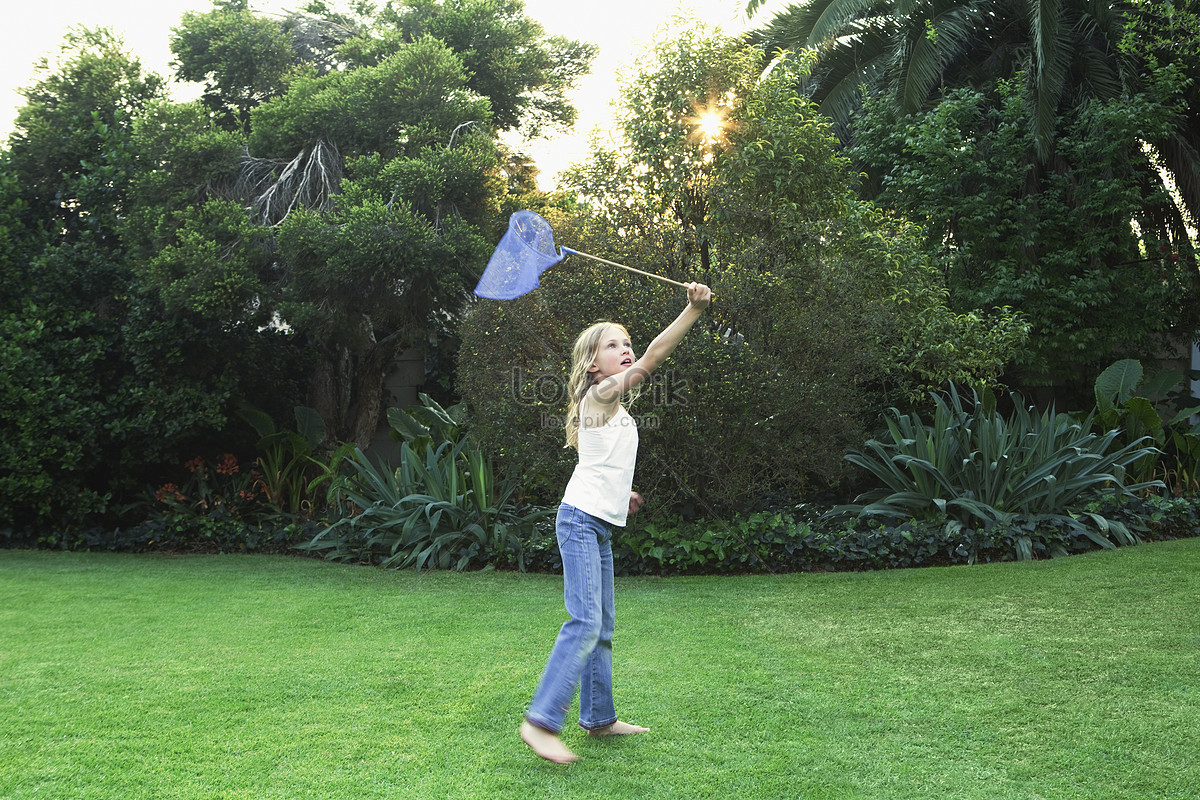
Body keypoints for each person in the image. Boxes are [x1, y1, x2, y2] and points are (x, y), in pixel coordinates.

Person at [520, 281, 712, 764]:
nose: (625, 350)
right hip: (580, 522)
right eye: (614, 345)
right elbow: (653, 359)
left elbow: (597, 463)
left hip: (598, 523)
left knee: (601, 626)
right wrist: (692, 310)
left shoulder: (615, 412)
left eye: (626, 343)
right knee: (584, 623)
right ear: (593, 364)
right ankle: (540, 722)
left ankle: (600, 719)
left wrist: (622, 494)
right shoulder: (601, 395)